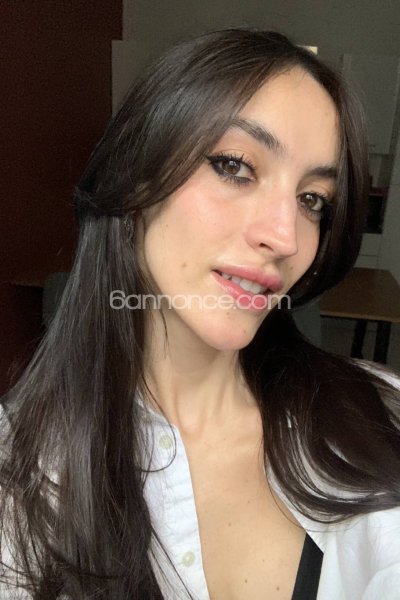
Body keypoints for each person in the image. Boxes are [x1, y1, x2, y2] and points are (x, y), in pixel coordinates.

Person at [1, 27, 400, 600]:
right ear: (136, 177)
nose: (286, 237)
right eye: (236, 166)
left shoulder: (381, 414)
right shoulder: (17, 476)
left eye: (312, 199)